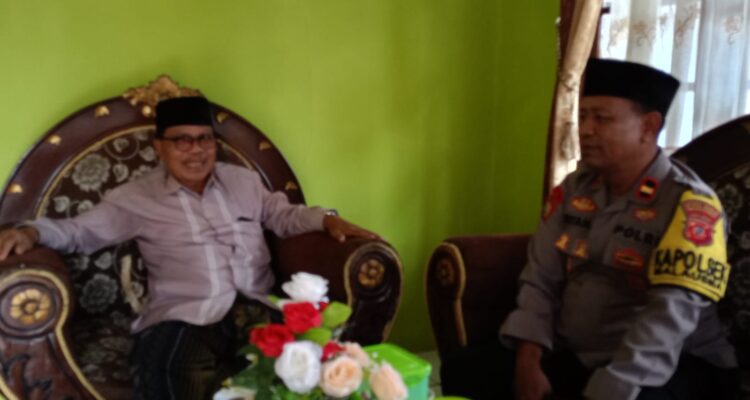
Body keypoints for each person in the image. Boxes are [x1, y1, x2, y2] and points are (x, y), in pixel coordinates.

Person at [0, 96, 379, 399]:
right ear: (159, 147)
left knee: (308, 375)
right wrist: (30, 233)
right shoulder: (136, 198)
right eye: (182, 140)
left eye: (204, 139)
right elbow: (79, 232)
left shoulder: (244, 181)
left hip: (259, 308)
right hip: (185, 315)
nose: (195, 150)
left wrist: (327, 219)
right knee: (169, 377)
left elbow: (284, 216)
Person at [441, 59, 737, 400]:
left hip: (670, 364)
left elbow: (668, 319)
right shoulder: (574, 190)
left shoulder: (691, 206)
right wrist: (528, 359)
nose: (585, 129)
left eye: (602, 118)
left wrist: (611, 388)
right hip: (583, 353)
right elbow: (540, 278)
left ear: (648, 126)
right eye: (582, 116)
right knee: (465, 369)